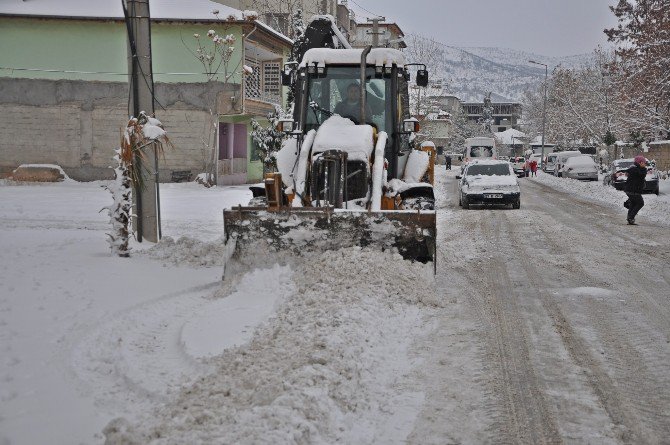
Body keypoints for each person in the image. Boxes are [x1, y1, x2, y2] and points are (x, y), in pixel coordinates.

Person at [623, 155, 647, 225]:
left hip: (629, 190)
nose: (645, 164)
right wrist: (644, 169)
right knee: (640, 203)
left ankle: (630, 218)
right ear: (639, 163)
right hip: (634, 190)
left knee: (633, 203)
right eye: (643, 162)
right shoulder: (638, 170)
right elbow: (642, 174)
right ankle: (631, 217)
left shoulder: (633, 169)